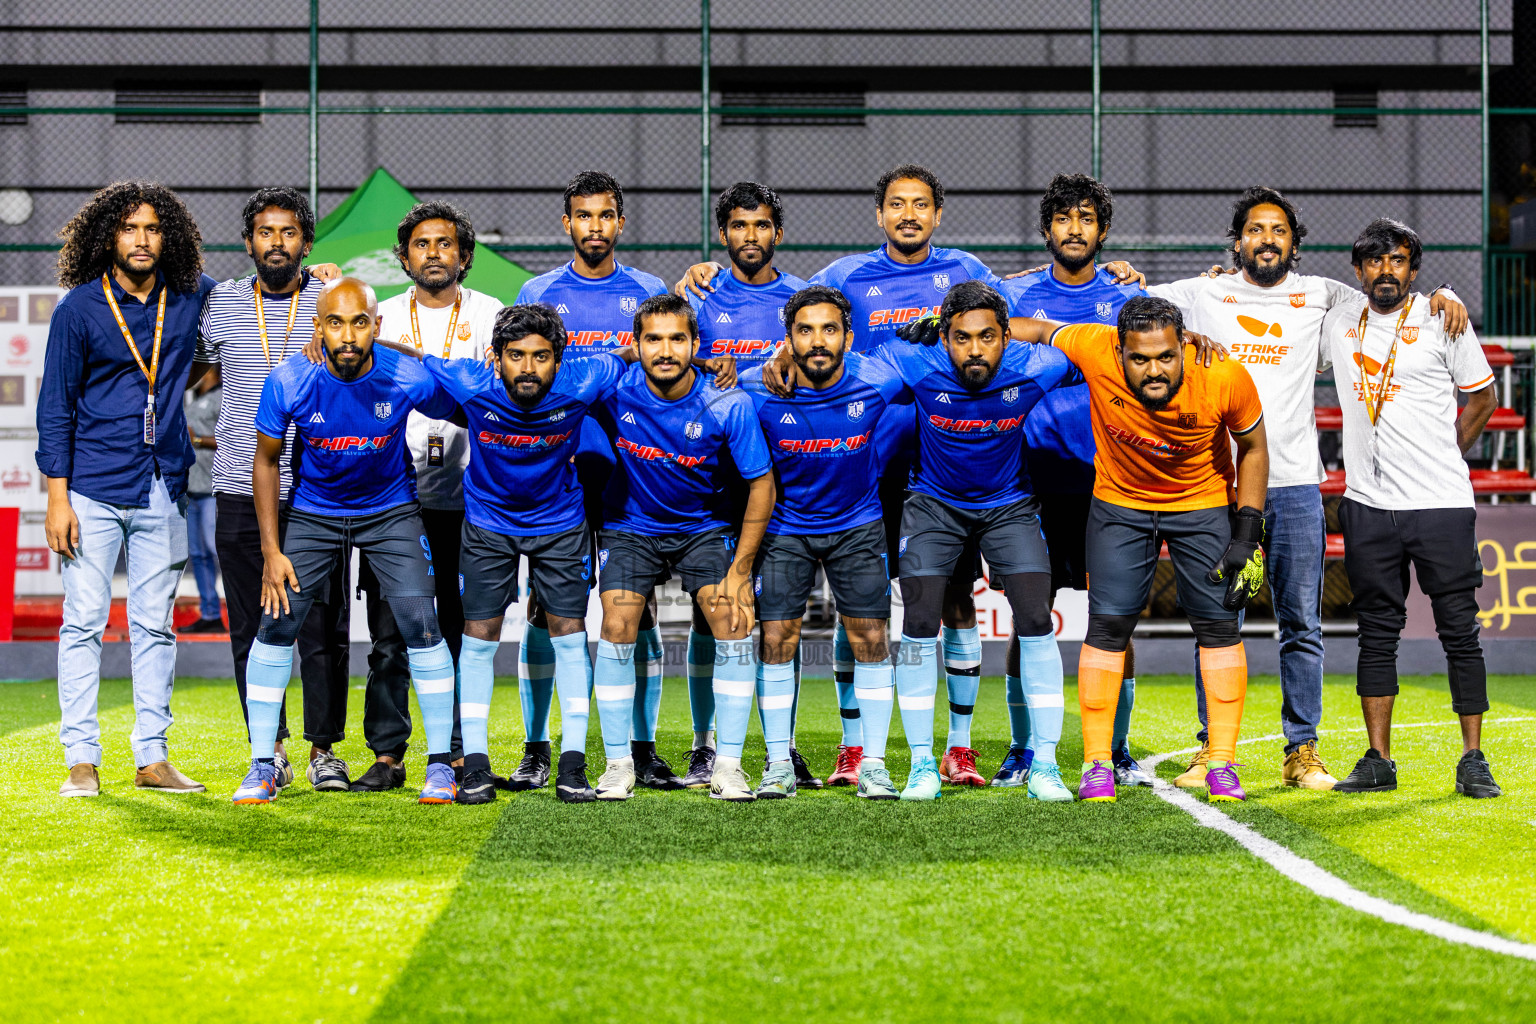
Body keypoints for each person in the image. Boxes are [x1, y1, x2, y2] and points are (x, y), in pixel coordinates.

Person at [1146, 186, 1467, 792]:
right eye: (1255, 229)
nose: (1266, 239)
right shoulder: (1201, 293)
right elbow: (1130, 303)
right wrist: (1123, 275)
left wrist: (1442, 293)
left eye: (1279, 231)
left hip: (1295, 483)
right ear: (1237, 240)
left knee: (1301, 622)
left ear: (1293, 244)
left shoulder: (1324, 295)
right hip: (1220, 485)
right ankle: (1213, 749)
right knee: (1219, 622)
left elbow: (1394, 300)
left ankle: (1302, 749)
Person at [771, 280, 1083, 802]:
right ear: (944, 338)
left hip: (1009, 507)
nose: (975, 350)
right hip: (932, 506)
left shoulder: (1038, 365)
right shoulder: (911, 362)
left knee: (1034, 619)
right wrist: (785, 356)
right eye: (961, 338)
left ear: (1007, 337)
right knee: (918, 624)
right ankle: (921, 764)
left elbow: (1104, 350)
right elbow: (828, 365)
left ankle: (1045, 764)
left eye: (987, 337)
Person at [1012, 296, 1269, 803]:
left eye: (1166, 357)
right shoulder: (1092, 344)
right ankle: (1097, 764)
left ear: (1182, 347)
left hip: (1201, 504)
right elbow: (1033, 329)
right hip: (1119, 505)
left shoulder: (1223, 374)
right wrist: (960, 326)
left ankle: (1221, 763)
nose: (1155, 369)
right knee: (1107, 626)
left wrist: (1248, 531)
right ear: (1119, 350)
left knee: (1218, 627)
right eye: (1140, 358)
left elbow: (1255, 446)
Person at [231, 278, 461, 806]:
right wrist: (272, 551)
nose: (348, 334)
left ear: (377, 327)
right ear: (318, 327)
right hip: (315, 514)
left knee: (421, 627)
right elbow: (264, 462)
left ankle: (441, 766)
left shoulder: (404, 374)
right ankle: (263, 764)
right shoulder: (290, 379)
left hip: (391, 511)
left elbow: (465, 410)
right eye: (335, 322)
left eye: (361, 322)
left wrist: (407, 350)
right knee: (276, 625)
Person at [38, 181, 216, 798]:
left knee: (156, 626)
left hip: (164, 484)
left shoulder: (192, 296)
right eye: (129, 229)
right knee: (83, 623)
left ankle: (152, 758)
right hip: (89, 486)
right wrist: (56, 497)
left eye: (152, 229)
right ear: (107, 236)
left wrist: (317, 274)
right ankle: (81, 760)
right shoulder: (80, 309)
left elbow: (259, 302)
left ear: (169, 237)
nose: (142, 240)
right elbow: (55, 407)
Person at [194, 187, 367, 795]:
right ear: (249, 243)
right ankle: (267, 749)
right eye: (265, 232)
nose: (277, 243)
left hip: (321, 488)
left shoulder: (332, 300)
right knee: (250, 625)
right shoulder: (220, 303)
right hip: (241, 484)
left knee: (324, 625)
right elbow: (191, 368)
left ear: (307, 242)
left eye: (289, 232)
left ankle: (324, 751)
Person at [1322, 219, 1501, 798]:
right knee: (1376, 631)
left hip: (1441, 504)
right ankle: (1379, 759)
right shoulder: (1340, 322)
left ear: (1413, 271)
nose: (1386, 271)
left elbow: (1481, 396)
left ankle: (1473, 759)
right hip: (1368, 506)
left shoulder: (1440, 317)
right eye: (1374, 261)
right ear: (1359, 271)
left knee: (1458, 631)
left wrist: (1445, 456)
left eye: (1397, 261)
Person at [514, 171, 678, 789]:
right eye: (583, 216)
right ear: (567, 224)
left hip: (632, 471)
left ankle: (640, 745)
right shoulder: (538, 291)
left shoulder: (648, 291)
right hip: (556, 474)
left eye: (605, 216)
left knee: (637, 614)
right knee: (544, 612)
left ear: (620, 223)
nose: (594, 227)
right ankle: (536, 746)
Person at [995, 173, 1151, 789]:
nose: (1075, 229)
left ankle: (1115, 748)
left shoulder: (1127, 300)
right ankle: (1021, 747)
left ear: (1104, 230)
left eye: (1087, 218)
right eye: (1063, 218)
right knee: (1028, 614)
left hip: (1109, 478)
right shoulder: (1012, 298)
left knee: (1114, 618)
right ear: (1047, 229)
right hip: (1029, 476)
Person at [589, 294, 774, 802]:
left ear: (697, 344)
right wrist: (620, 358)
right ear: (636, 344)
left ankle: (729, 766)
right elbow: (569, 369)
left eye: (677, 339)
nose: (665, 350)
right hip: (631, 528)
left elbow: (762, 486)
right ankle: (618, 764)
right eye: (653, 339)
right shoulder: (615, 390)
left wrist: (741, 568)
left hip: (703, 530)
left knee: (734, 620)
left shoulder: (726, 401)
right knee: (617, 622)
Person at [740, 285, 906, 799]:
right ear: (786, 339)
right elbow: (700, 376)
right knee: (775, 643)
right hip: (786, 529)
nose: (818, 341)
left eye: (829, 329)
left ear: (848, 338)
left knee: (871, 642)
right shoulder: (755, 386)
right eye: (804, 330)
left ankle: (873, 764)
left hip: (858, 525)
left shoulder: (880, 378)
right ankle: (777, 763)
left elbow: (933, 355)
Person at [676, 181, 813, 790]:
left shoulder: (804, 302)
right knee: (716, 616)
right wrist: (710, 364)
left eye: (761, 226)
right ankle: (706, 746)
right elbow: (671, 359)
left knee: (782, 614)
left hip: (783, 476)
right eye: (738, 226)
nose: (749, 237)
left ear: (777, 234)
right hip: (712, 479)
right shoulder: (698, 295)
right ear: (723, 234)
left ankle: (781, 748)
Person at [377, 201, 508, 784]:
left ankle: (456, 749)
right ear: (404, 258)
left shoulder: (492, 315)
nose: (434, 253)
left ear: (465, 256)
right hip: (395, 496)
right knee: (391, 632)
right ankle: (388, 753)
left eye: (445, 244)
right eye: (422, 245)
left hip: (472, 495)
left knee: (458, 626)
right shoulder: (376, 317)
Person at [181, 365, 225, 634]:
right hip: (191, 487)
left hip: (212, 486)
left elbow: (233, 439)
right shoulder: (193, 397)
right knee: (198, 555)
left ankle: (240, 609)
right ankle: (210, 613)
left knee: (215, 550)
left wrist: (195, 438)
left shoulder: (223, 395)